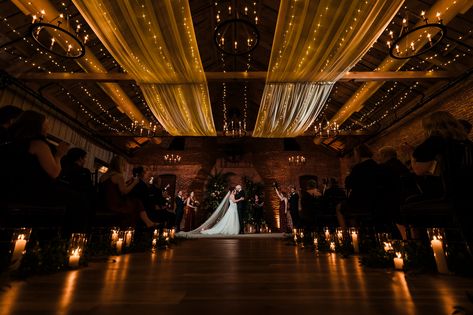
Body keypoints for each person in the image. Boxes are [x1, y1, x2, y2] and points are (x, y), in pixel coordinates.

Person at [99, 156, 156, 228]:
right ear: (119, 165)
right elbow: (124, 191)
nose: (124, 167)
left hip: (104, 203)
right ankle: (147, 223)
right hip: (115, 205)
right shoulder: (118, 176)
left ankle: (148, 222)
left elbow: (114, 189)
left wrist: (129, 183)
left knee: (135, 202)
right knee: (137, 202)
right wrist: (134, 183)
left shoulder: (104, 176)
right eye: (123, 165)